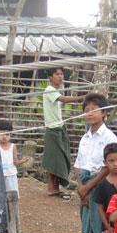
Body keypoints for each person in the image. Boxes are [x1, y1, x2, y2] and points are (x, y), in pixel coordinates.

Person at [74, 93, 117, 233]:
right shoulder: (85, 137)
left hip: (101, 185)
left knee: (105, 228)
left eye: (94, 110)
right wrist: (80, 187)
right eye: (87, 110)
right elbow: (78, 164)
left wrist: (89, 187)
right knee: (92, 229)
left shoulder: (109, 137)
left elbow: (109, 165)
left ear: (104, 113)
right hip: (85, 184)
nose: (90, 113)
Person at [42, 67, 84, 198]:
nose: (60, 77)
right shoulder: (49, 90)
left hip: (59, 127)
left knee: (60, 158)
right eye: (57, 74)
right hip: (53, 129)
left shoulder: (56, 91)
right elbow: (64, 100)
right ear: (50, 77)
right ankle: (51, 188)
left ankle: (55, 188)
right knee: (53, 160)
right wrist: (83, 97)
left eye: (61, 74)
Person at [0, 121, 29, 196]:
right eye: (2, 134)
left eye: (7, 134)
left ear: (11, 135)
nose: (4, 136)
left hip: (11, 175)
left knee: (12, 196)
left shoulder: (13, 146)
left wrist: (23, 160)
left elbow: (15, 162)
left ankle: (12, 208)